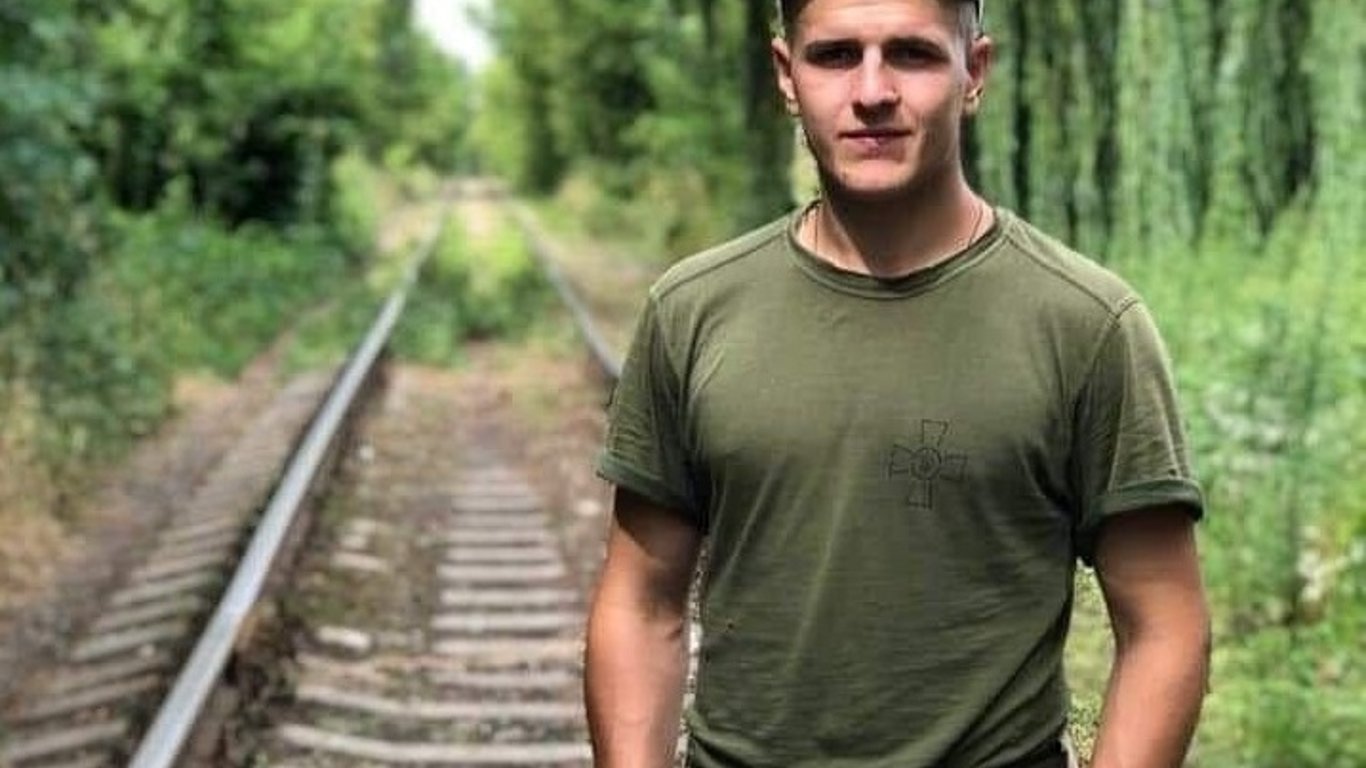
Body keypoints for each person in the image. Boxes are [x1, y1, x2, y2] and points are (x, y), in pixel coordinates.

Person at [584, 0, 1211, 765]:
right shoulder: (693, 311)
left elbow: (1165, 626)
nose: (873, 91)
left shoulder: (1087, 324)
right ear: (786, 74)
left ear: (974, 70)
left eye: (912, 54)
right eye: (836, 55)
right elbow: (641, 604)